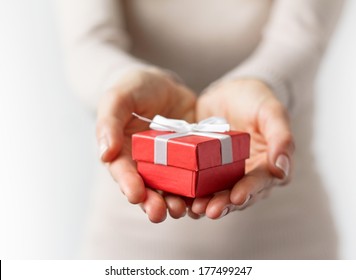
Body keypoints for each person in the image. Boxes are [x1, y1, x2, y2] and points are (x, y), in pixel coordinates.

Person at [55, 0, 344, 259]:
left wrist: (263, 83)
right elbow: (88, 43)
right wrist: (121, 82)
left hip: (291, 237)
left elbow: (301, 37)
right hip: (128, 244)